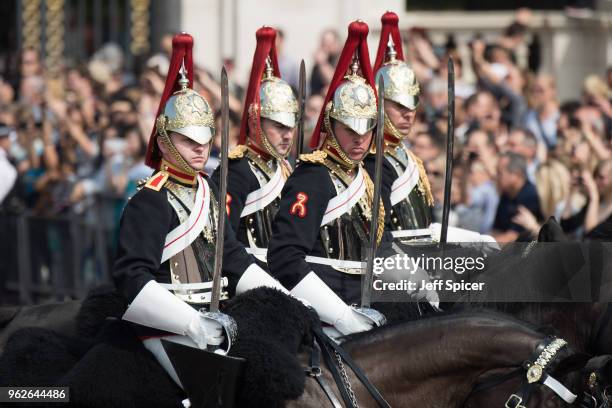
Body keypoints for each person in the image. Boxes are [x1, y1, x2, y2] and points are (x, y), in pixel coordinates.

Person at [113, 33, 283, 396]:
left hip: (218, 320)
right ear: (163, 142)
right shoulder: (150, 201)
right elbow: (131, 276)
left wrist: (282, 298)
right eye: (189, 140)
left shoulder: (207, 189)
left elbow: (232, 256)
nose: (201, 149)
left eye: (204, 139)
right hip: (169, 329)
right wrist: (190, 322)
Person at [267, 21, 388, 335]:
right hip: (326, 312)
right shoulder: (314, 178)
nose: (361, 139)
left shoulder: (364, 176)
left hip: (369, 301)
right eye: (351, 129)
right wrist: (340, 316)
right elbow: (285, 257)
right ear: (332, 126)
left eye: (367, 129)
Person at [212, 27, 297, 253]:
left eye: (291, 126)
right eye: (279, 126)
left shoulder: (284, 167)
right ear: (255, 122)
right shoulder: (236, 171)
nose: (288, 135)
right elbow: (224, 243)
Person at [366, 11, 434, 234]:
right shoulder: (373, 159)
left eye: (412, 106)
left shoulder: (406, 154)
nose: (409, 114)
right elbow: (380, 232)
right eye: (399, 106)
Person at [492, 152, 542, 242]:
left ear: (516, 174)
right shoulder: (506, 195)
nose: (496, 176)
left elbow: (513, 236)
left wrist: (482, 245)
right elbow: (496, 230)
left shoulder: (531, 196)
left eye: (500, 173)